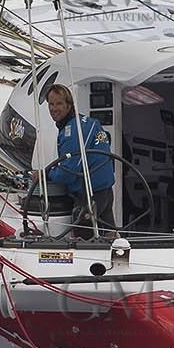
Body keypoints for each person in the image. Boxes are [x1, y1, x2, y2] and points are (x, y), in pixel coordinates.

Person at [42, 84, 117, 237]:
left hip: (89, 193)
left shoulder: (72, 131)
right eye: (51, 104)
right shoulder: (89, 122)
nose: (54, 108)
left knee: (84, 241)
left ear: (69, 105)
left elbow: (67, 173)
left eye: (59, 103)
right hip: (106, 190)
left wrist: (45, 174)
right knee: (110, 234)